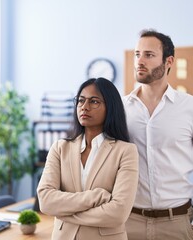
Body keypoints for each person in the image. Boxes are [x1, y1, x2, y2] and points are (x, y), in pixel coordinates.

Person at [123, 29, 193, 240]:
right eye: (137, 54)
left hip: (178, 224)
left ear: (168, 61)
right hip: (127, 223)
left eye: (149, 55)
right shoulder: (120, 109)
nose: (140, 61)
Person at [37, 78, 139, 240]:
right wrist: (98, 196)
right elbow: (46, 201)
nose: (84, 107)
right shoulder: (60, 148)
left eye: (94, 101)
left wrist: (64, 213)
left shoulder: (126, 151)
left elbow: (118, 213)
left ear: (110, 107)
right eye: (80, 101)